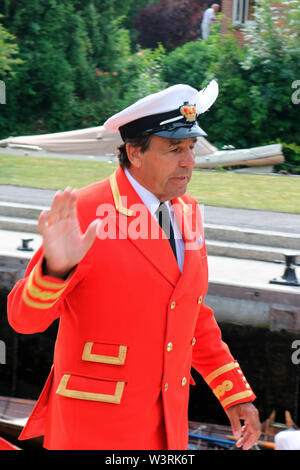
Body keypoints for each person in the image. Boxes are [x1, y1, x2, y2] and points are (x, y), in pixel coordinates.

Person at [7, 80, 261, 450]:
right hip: (95, 429)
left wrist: (234, 392)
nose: (190, 160)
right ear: (135, 153)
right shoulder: (85, 211)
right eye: (175, 148)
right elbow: (22, 320)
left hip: (167, 427)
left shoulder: (186, 211)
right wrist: (54, 271)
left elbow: (191, 312)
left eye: (191, 147)